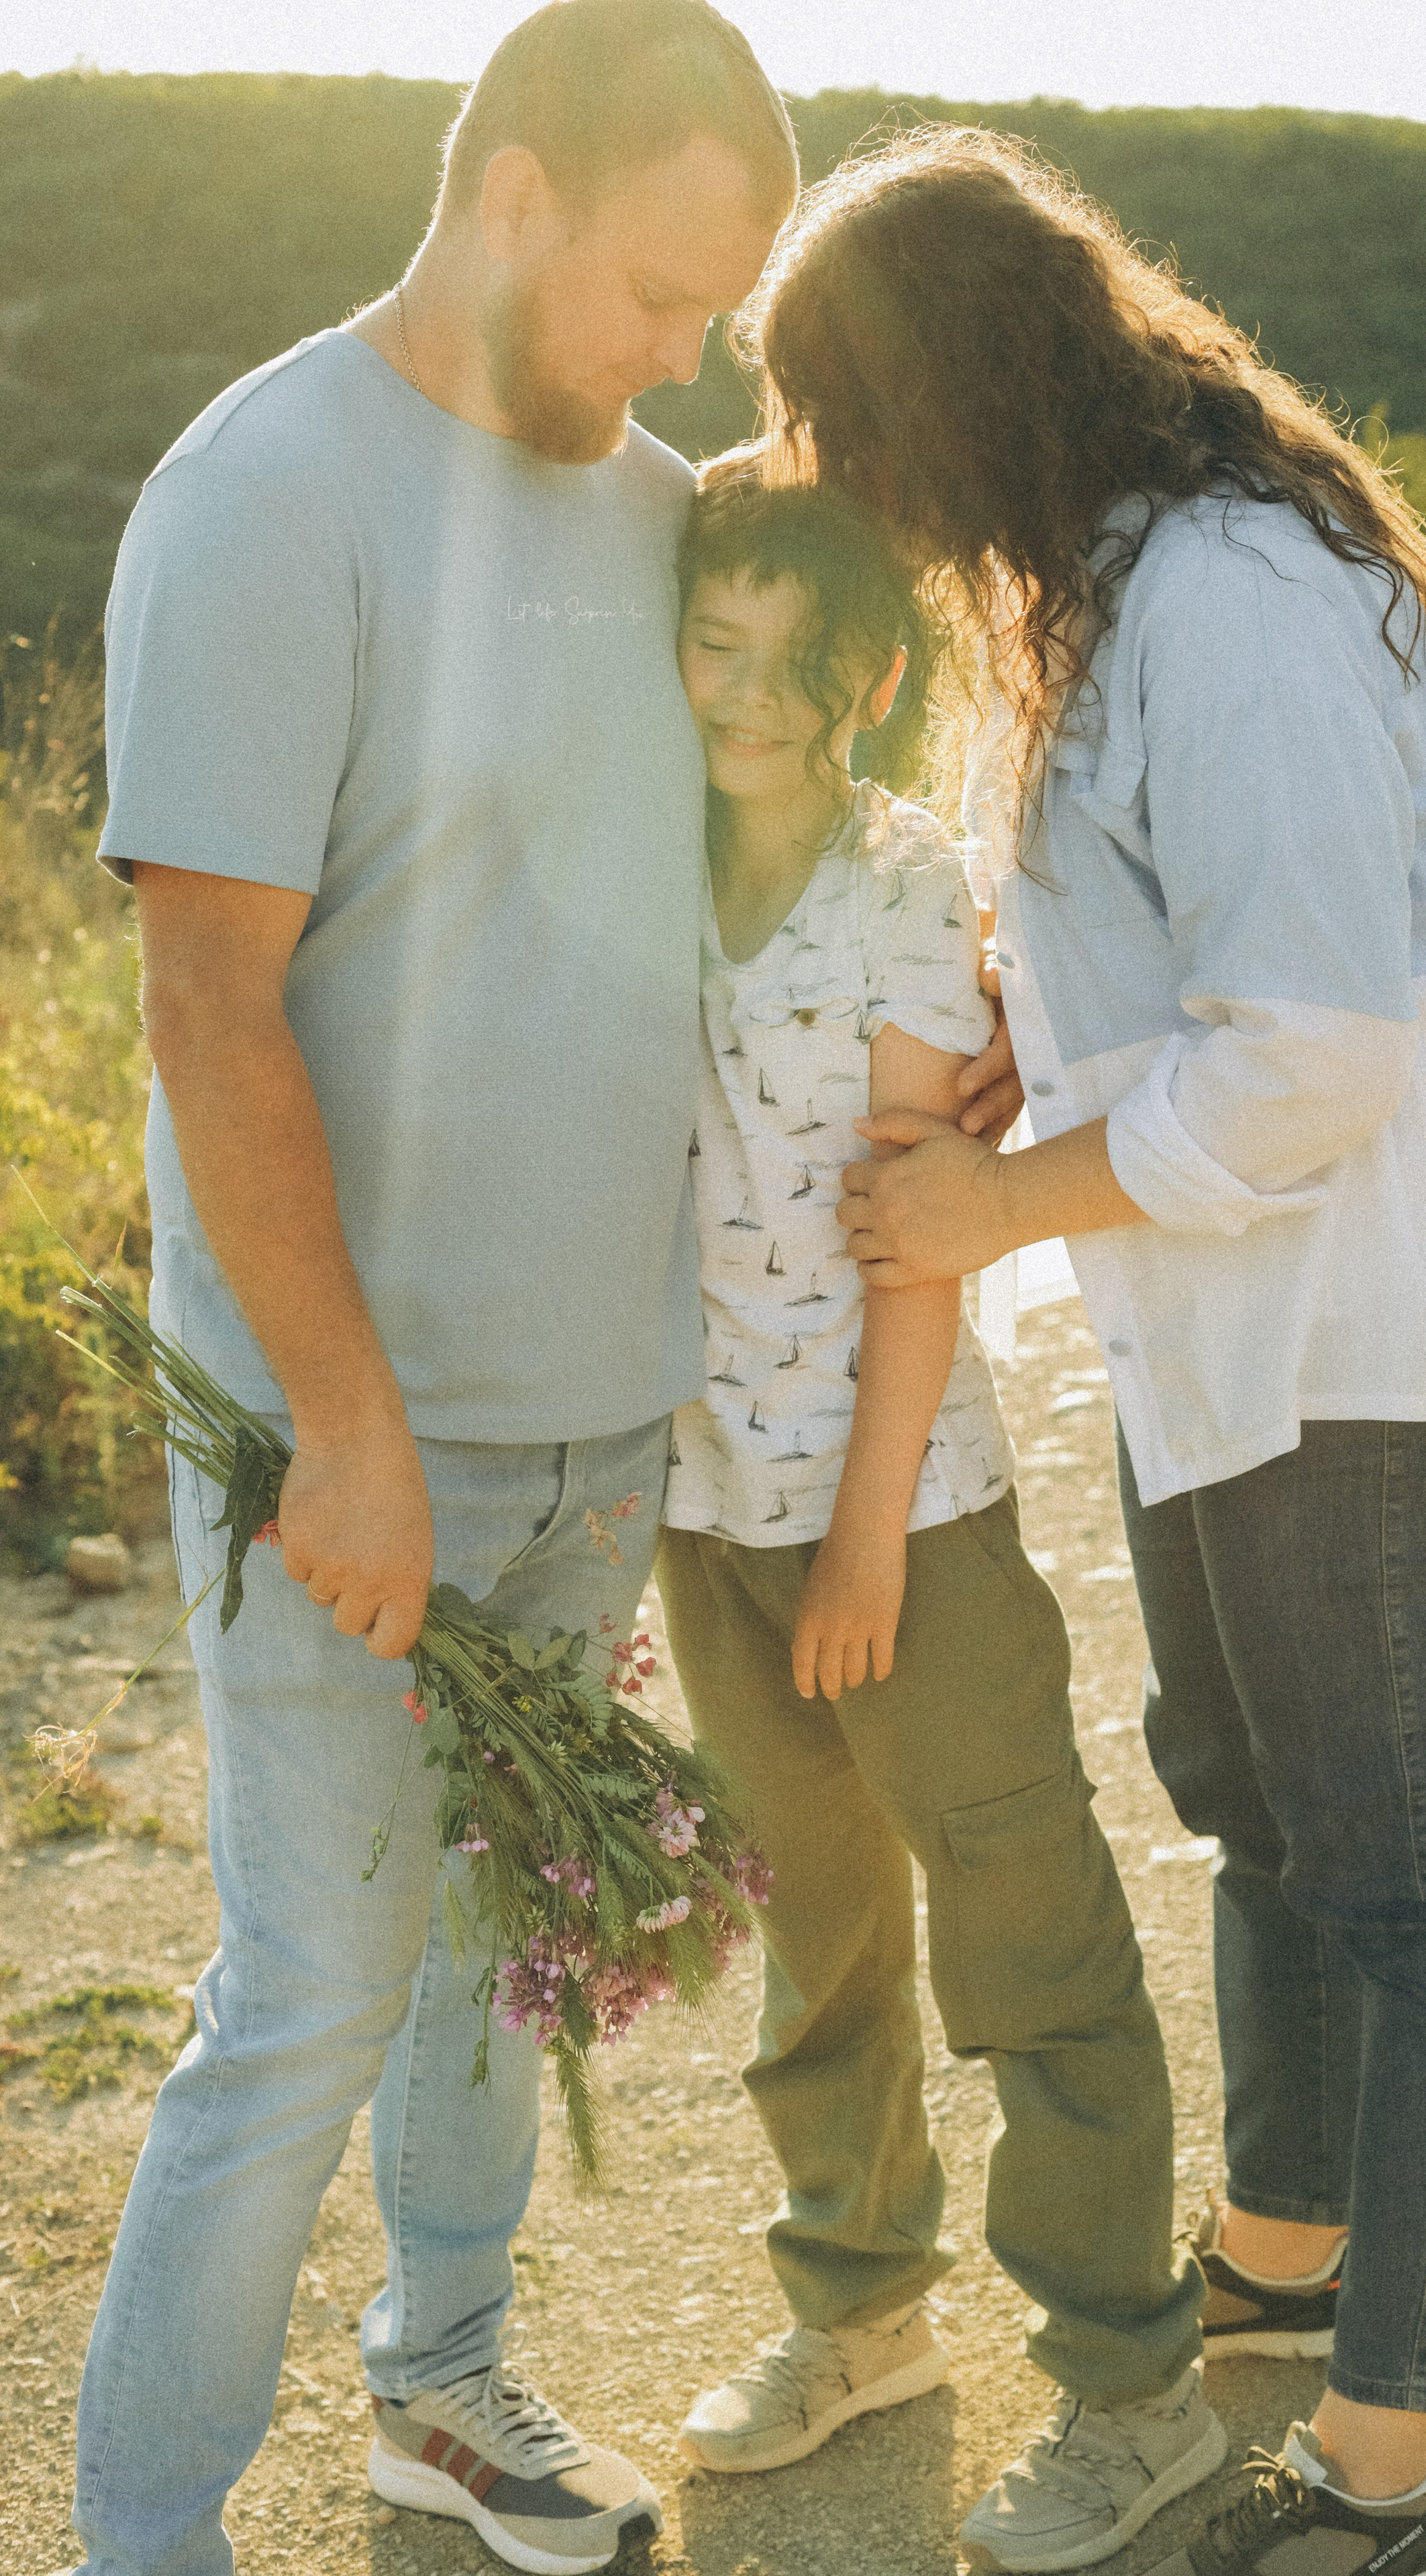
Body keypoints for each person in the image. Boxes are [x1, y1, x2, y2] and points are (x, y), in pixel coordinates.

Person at [748, 128, 1426, 2576]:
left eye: (837, 425)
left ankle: (1401, 2464)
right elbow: (1180, 941)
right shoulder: (1095, 588)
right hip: (1238, 1315)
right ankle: (1298, 2262)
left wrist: (997, 1190)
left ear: (955, 398)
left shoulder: (1219, 592)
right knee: (1261, 1802)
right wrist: (1038, 1038)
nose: (828, 486)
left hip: (1373, 1331)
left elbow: (1317, 1049)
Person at [69, 11, 804, 2575]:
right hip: (351, 1439)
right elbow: (206, 1003)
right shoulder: (272, 494)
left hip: (602, 1418)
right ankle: (146, 2533)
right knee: (300, 2010)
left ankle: (444, 2386)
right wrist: (350, 1430)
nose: (687, 355)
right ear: (507, 194)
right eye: (652, 288)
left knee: (513, 1951)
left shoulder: (678, 513)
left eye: (717, 309)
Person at [652, 469, 1225, 2571]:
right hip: (705, 1504)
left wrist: (875, 1535)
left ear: (863, 674)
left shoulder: (901, 893)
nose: (744, 693)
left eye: (784, 655)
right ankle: (860, 2313)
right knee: (812, 1930)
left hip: (907, 1511)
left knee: (1024, 1930)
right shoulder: (648, 859)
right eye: (710, 644)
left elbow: (918, 1236)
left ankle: (1129, 2385)